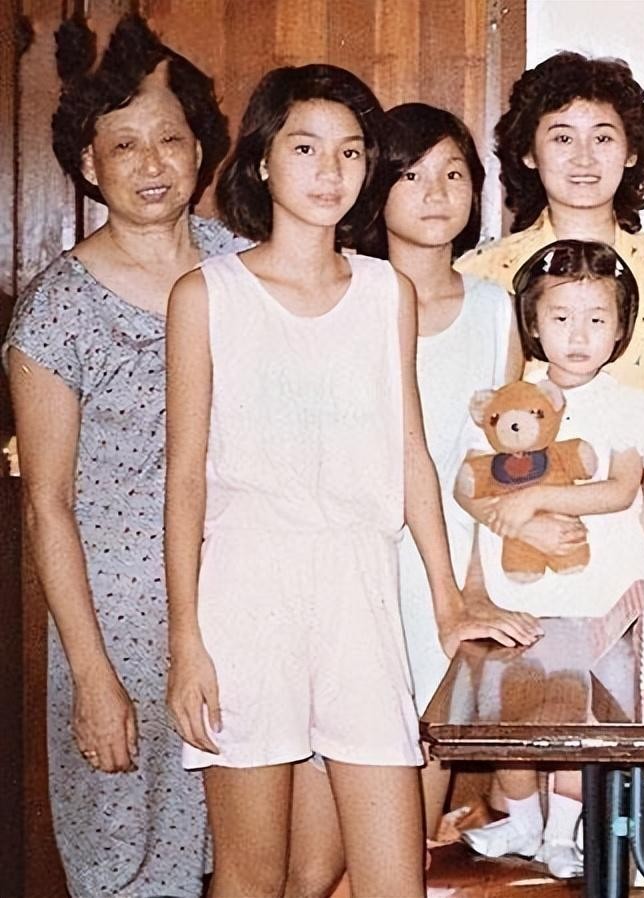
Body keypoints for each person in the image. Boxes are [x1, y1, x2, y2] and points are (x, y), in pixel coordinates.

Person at [164, 64, 498, 898]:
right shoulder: (207, 294)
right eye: (305, 148)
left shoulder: (386, 292)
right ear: (262, 161)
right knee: (253, 877)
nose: (330, 171)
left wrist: (448, 601)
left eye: (350, 152)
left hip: (360, 587)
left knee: (394, 877)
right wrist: (186, 641)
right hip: (246, 592)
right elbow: (186, 479)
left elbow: (411, 452)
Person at [4, 15, 239, 897]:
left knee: (247, 859)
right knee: (128, 863)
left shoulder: (240, 268)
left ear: (200, 150)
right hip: (118, 626)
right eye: (125, 145)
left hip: (237, 605)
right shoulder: (57, 309)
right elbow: (47, 505)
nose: (152, 164)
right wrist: (92, 676)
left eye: (170, 140)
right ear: (89, 162)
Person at [357, 101, 541, 848]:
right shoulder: (351, 294)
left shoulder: (495, 308)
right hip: (362, 554)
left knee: (424, 760)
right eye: (412, 175)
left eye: (454, 174)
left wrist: (473, 585)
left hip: (453, 564)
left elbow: (498, 461)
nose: (436, 193)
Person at [456, 240, 644, 877]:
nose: (578, 334)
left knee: (577, 715)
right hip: (519, 594)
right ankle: (521, 821)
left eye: (597, 318)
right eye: (561, 317)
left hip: (597, 595)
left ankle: (564, 832)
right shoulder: (508, 399)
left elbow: (619, 489)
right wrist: (507, 514)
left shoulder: (628, 404)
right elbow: (468, 482)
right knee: (513, 713)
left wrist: (538, 497)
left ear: (620, 328)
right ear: (534, 323)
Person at [455, 51, 644, 396]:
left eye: (602, 138)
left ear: (631, 152)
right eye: (563, 138)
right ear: (529, 153)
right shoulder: (479, 275)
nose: (584, 158)